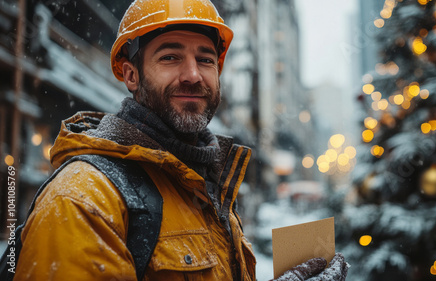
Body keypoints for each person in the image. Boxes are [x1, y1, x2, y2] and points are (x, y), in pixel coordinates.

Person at [13, 0, 348, 280]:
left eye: (205, 60)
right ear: (131, 74)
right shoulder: (83, 200)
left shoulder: (202, 189)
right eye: (170, 57)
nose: (192, 75)